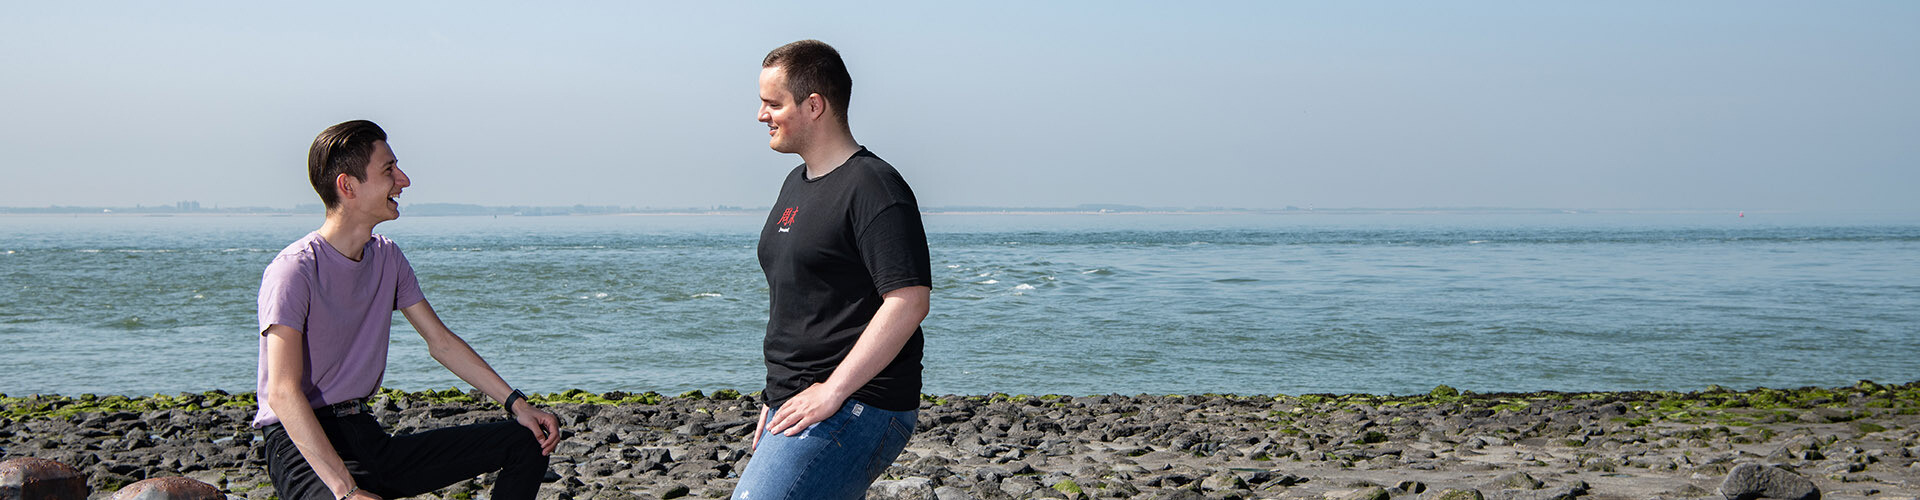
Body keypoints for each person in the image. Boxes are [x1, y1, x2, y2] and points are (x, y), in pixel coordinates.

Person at [253, 120, 561, 500]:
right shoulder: (294, 270)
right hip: (300, 448)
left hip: (365, 434)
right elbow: (282, 393)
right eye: (389, 170)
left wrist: (517, 405)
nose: (404, 180)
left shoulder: (387, 257)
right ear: (347, 186)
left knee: (526, 440)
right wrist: (346, 491)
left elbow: (441, 342)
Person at [730, 40, 934, 500]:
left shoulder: (874, 187)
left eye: (772, 103)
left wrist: (831, 391)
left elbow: (909, 300)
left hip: (860, 402)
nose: (761, 115)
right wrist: (776, 399)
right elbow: (802, 305)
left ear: (814, 105)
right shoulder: (795, 184)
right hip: (799, 402)